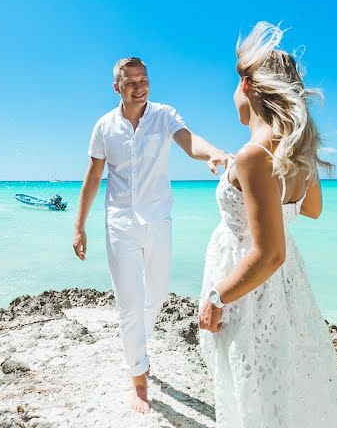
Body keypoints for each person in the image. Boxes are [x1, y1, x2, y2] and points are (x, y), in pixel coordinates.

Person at [198, 22, 337, 427]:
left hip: (250, 289)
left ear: (249, 87)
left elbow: (269, 252)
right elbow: (311, 209)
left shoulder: (255, 155)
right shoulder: (291, 151)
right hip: (287, 287)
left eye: (235, 85)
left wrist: (218, 296)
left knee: (254, 389)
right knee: (286, 384)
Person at [73, 57, 229, 413]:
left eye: (143, 80)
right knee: (129, 303)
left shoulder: (164, 115)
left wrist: (214, 152)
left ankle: (137, 350)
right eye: (130, 82)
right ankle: (139, 378)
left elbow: (189, 142)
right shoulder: (104, 127)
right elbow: (92, 178)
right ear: (117, 87)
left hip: (159, 221)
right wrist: (79, 226)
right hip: (120, 224)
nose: (139, 87)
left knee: (155, 297)